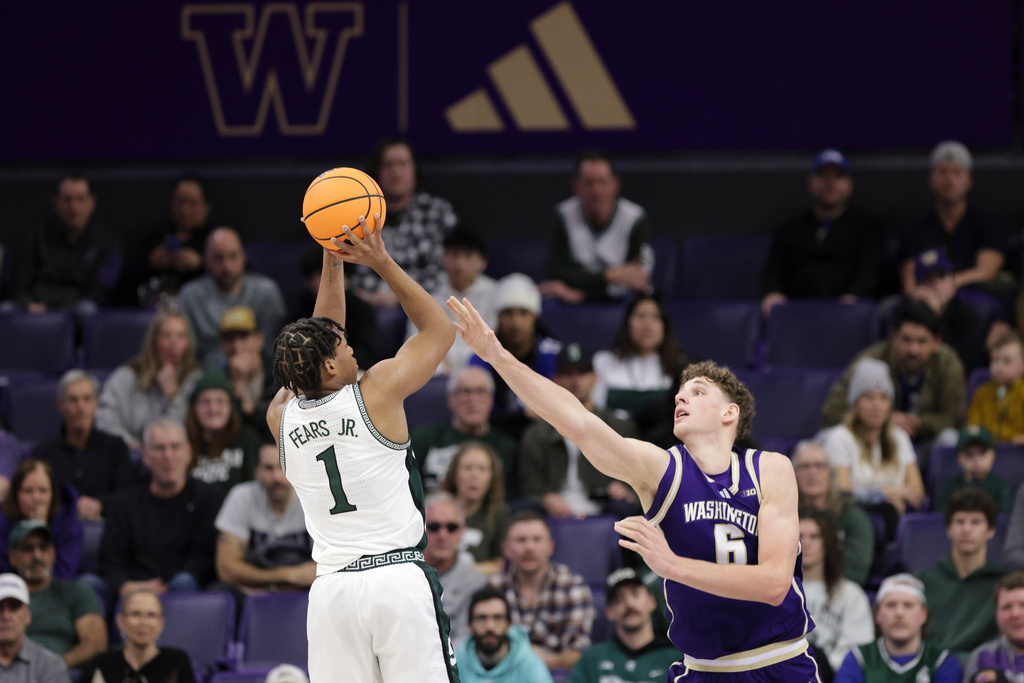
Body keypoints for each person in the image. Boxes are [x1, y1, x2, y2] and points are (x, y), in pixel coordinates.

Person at [448, 292, 820, 680]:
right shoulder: (662, 470)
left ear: (730, 413)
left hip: (779, 665)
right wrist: (496, 355)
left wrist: (672, 565)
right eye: (680, 391)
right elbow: (576, 421)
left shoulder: (771, 469)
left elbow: (775, 584)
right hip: (704, 670)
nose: (681, 396)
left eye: (698, 391)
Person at [266, 215, 459, 682]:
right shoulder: (376, 391)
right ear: (330, 364)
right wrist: (379, 260)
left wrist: (333, 258)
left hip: (331, 593)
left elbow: (318, 340)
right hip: (396, 581)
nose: (355, 349)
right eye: (345, 346)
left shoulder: (281, 415)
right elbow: (440, 331)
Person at [100, 418, 224, 602]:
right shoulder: (124, 503)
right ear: (145, 456)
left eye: (175, 447)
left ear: (189, 452)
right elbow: (109, 562)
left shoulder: (209, 498)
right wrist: (127, 586)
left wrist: (166, 588)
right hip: (132, 589)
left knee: (184, 582)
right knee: (89, 585)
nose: (168, 455)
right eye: (159, 448)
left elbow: (204, 560)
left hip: (183, 588)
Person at [820, 299, 966, 445]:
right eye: (907, 340)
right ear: (894, 337)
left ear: (936, 342)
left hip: (926, 441)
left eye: (922, 341)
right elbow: (832, 412)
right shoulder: (871, 360)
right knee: (827, 437)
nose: (913, 350)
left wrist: (918, 423)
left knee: (950, 439)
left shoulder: (948, 363)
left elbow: (954, 418)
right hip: (874, 441)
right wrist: (884, 419)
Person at [520, 343, 641, 519]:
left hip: (606, 507)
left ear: (594, 377)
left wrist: (627, 490)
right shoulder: (536, 434)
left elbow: (642, 477)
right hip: (551, 511)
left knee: (625, 510)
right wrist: (544, 498)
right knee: (524, 511)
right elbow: (529, 486)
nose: (575, 381)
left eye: (582, 373)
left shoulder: (620, 427)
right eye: (568, 374)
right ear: (555, 379)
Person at [760, 149, 884, 317]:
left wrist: (852, 300)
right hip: (798, 316)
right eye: (823, 176)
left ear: (850, 185)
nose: (830, 183)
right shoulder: (789, 231)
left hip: (849, 316)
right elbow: (773, 274)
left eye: (838, 177)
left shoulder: (868, 229)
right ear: (810, 182)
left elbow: (870, 274)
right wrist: (773, 294)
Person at [816, 357, 925, 540]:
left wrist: (871, 492)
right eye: (869, 397)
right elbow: (843, 492)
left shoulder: (900, 437)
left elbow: (917, 493)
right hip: (853, 523)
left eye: (883, 398)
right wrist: (886, 493)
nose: (877, 405)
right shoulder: (840, 437)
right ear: (855, 403)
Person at [349, 137, 459, 307]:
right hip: (364, 303)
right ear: (376, 172)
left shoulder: (437, 213)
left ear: (415, 171)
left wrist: (399, 295)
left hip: (425, 302)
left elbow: (447, 269)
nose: (395, 171)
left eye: (402, 164)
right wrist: (359, 294)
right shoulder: (357, 215)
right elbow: (343, 267)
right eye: (388, 164)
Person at [540, 151, 654, 304]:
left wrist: (582, 295)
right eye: (588, 183)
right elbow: (558, 273)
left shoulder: (634, 218)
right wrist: (611, 275)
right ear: (576, 185)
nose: (596, 191)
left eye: (603, 182)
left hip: (624, 307)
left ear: (616, 184)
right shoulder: (563, 215)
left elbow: (637, 281)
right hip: (570, 308)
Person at [488, 510, 594, 670]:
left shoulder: (573, 586)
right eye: (521, 540)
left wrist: (544, 661)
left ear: (550, 547)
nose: (529, 547)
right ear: (506, 549)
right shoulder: (493, 589)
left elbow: (578, 654)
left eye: (537, 540)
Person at [898, 141, 1006, 297]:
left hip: (972, 298)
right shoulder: (914, 230)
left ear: (969, 179)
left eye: (957, 172)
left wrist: (947, 283)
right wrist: (930, 296)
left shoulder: (988, 225)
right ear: (930, 178)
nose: (949, 180)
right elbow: (909, 282)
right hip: (927, 300)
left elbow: (986, 271)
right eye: (942, 172)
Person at [8, 175, 120, 316]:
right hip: (35, 307)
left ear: (92, 202)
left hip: (76, 309)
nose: (73, 207)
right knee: (6, 310)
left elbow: (101, 291)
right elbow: (19, 284)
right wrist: (29, 304)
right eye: (67, 200)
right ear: (55, 202)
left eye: (80, 199)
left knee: (87, 310)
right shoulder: (37, 237)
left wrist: (61, 310)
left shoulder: (106, 243)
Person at [31, 369, 134, 521]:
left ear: (96, 404)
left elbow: (128, 494)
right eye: (73, 400)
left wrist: (99, 504)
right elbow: (37, 497)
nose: (80, 407)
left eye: (87, 399)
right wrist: (73, 506)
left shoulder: (115, 447)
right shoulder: (43, 453)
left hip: (108, 526)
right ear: (60, 405)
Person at [214, 441, 314, 597]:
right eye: (268, 468)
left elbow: (324, 568)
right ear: (256, 472)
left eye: (283, 467)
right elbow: (226, 569)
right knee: (219, 592)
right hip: (252, 595)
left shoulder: (313, 498)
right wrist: (287, 575)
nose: (276, 477)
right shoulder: (242, 497)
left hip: (305, 595)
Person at [470, 273, 562, 438]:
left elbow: (559, 412)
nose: (516, 322)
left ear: (535, 316)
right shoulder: (480, 357)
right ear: (498, 316)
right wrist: (524, 416)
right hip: (492, 438)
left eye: (523, 313)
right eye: (508, 313)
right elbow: (476, 414)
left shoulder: (552, 355)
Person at [916, 488, 1004, 661]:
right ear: (949, 529)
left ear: (991, 530)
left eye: (976, 522)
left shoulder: (1002, 586)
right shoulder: (923, 581)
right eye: (959, 521)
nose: (966, 529)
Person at [177, 226, 287, 363]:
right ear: (206, 260)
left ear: (243, 257)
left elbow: (275, 346)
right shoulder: (190, 296)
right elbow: (187, 352)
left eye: (233, 256)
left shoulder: (266, 291)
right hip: (207, 375)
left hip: (260, 372)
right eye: (218, 258)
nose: (226, 266)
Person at [95, 310, 204, 449]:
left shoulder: (194, 380)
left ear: (188, 343)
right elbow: (105, 420)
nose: (173, 342)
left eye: (181, 336)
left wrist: (173, 396)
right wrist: (130, 444)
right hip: (128, 453)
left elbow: (183, 433)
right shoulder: (128, 375)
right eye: (166, 335)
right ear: (153, 340)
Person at [7, 520, 106, 669]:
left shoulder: (76, 591)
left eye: (43, 547)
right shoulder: (4, 597)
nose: (37, 556)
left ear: (53, 553)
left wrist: (54, 666)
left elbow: (96, 644)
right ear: (12, 557)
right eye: (28, 549)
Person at [833, 573, 961, 683]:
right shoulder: (858, 659)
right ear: (877, 614)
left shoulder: (941, 662)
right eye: (891, 605)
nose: (899, 613)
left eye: (908, 605)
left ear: (923, 615)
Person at [410, 365, 518, 494]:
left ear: (491, 400)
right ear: (450, 399)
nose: (473, 399)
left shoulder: (507, 448)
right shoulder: (423, 439)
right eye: (465, 391)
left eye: (481, 391)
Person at [568, 567, 680, 683]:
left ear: (651, 601)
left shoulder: (676, 660)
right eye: (619, 599)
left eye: (635, 594)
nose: (629, 603)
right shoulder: (591, 659)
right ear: (609, 612)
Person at [799, 508, 873, 674]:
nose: (806, 543)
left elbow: (857, 653)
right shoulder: (775, 591)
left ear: (827, 542)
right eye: (799, 537)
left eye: (814, 536)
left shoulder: (850, 594)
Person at [418, 226, 499, 376]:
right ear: (443, 258)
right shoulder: (426, 297)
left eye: (468, 256)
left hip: (483, 375)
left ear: (483, 262)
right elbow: (415, 344)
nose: (460, 264)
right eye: (454, 255)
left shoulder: (497, 296)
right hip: (438, 376)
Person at [792, 441, 875, 587]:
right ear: (794, 475)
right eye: (804, 467)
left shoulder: (853, 516)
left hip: (838, 592)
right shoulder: (782, 515)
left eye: (819, 466)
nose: (812, 473)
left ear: (831, 474)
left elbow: (857, 569)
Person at [590, 294, 690, 413]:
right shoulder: (604, 361)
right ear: (628, 322)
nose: (647, 323)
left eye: (655, 316)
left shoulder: (681, 366)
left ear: (664, 326)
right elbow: (593, 410)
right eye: (640, 316)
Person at [127, 174, 214, 306]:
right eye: (179, 202)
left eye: (192, 202)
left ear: (206, 206)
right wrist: (150, 263)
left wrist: (200, 264)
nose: (185, 210)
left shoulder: (216, 241)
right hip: (155, 311)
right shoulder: (154, 238)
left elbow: (232, 278)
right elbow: (122, 284)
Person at [79, 588, 196, 683]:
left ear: (161, 623)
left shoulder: (176, 661)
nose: (143, 622)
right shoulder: (102, 663)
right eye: (136, 614)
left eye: (151, 615)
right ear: (121, 621)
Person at [201, 306, 281, 439]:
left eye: (243, 337)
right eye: (229, 339)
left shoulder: (281, 373)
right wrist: (237, 388)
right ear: (221, 344)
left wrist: (251, 412)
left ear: (259, 339)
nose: (236, 347)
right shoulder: (218, 380)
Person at [423, 492, 487, 649]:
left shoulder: (475, 581)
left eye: (451, 527)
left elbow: (465, 640)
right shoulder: (403, 573)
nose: (442, 535)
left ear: (462, 531)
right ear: (420, 527)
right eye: (434, 527)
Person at [907, 248, 988, 372]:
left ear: (952, 280)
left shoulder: (967, 315)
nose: (936, 285)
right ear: (918, 289)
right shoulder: (908, 315)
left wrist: (935, 316)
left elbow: (964, 362)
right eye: (929, 280)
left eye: (942, 277)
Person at [0, 460, 82, 579]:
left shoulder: (69, 526)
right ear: (16, 495)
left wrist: (41, 529)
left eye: (43, 490)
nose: (36, 498)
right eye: (28, 491)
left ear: (53, 494)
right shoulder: (3, 525)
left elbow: (64, 575)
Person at [438, 441, 511, 572]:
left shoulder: (499, 513)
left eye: (482, 469)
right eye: (467, 468)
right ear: (454, 475)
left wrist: (461, 575)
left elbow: (497, 564)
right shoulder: (434, 507)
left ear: (492, 477)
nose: (474, 475)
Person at [456, 585, 553, 683]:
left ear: (509, 625)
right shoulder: (453, 663)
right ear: (469, 625)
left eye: (497, 618)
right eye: (481, 618)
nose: (490, 626)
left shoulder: (532, 666)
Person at [184, 373, 261, 494]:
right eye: (205, 402)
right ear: (194, 408)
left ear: (231, 406)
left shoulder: (248, 440)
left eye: (220, 401)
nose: (213, 409)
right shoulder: (182, 443)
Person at [0, 572, 70, 682]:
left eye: (14, 607)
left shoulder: (50, 665)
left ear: (28, 615)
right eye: (0, 608)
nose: (6, 616)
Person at [934, 425, 1012, 513]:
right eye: (969, 454)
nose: (976, 460)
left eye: (982, 453)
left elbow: (1003, 518)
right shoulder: (951, 488)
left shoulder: (1000, 488)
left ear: (993, 455)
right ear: (959, 458)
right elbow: (940, 518)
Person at [962, 571, 1024, 683]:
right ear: (996, 613)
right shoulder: (982, 657)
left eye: (1023, 605)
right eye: (1006, 607)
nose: (1015, 614)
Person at [967, 330, 1024, 443]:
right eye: (995, 360)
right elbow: (972, 427)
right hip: (986, 453)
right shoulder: (981, 393)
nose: (999, 367)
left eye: (1007, 361)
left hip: (1018, 453)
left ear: (1022, 367)